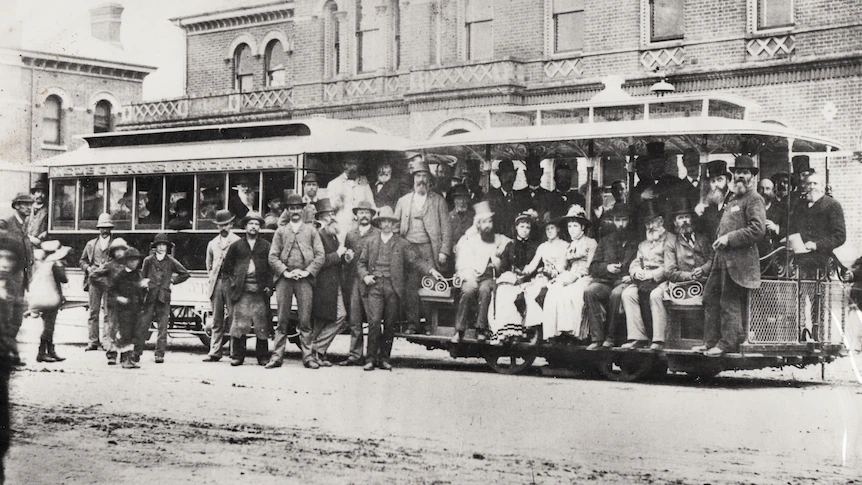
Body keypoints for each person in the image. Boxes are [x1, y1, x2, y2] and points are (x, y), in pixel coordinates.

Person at [695, 155, 766, 356]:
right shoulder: (733, 199)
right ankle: (710, 342)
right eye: (737, 173)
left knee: (728, 301)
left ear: (752, 177)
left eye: (745, 173)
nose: (740, 177)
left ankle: (727, 344)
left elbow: (758, 229)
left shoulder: (754, 199)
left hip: (739, 261)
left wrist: (729, 238)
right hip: (721, 258)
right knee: (710, 297)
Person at [357, 207, 442, 370]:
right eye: (384, 222)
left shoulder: (402, 244)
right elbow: (361, 263)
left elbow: (415, 261)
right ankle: (370, 359)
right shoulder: (371, 242)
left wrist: (431, 271)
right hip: (374, 287)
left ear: (393, 224)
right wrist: (365, 276)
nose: (387, 225)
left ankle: (384, 359)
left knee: (390, 324)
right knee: (374, 322)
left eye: (390, 221)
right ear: (380, 224)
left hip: (393, 288)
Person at [393, 155, 452, 335]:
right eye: (418, 176)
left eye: (425, 176)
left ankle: (428, 324)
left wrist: (444, 251)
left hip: (429, 249)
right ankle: (413, 324)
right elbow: (395, 227)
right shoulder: (403, 201)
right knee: (411, 287)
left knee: (431, 285)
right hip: (409, 248)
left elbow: (447, 229)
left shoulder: (438, 201)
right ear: (413, 179)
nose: (421, 180)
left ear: (429, 179)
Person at [643, 199, 713, 351]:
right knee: (655, 294)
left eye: (687, 217)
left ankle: (709, 341)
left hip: (705, 282)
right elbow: (670, 271)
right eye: (680, 218)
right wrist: (690, 276)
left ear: (692, 219)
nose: (685, 221)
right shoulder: (671, 242)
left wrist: (704, 269)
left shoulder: (703, 238)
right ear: (675, 222)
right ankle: (659, 340)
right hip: (680, 284)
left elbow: (712, 258)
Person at [267, 194, 325, 369]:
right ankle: (277, 356)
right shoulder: (281, 231)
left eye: (298, 208)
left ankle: (308, 357)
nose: (295, 212)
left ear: (303, 209)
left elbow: (320, 255)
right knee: (282, 318)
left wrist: (307, 272)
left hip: (304, 279)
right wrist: (285, 272)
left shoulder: (311, 231)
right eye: (292, 208)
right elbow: (272, 256)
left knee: (305, 319)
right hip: (285, 279)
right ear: (287, 210)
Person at [451, 202, 510, 343]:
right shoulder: (470, 240)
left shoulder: (497, 238)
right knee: (468, 290)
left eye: (490, 221)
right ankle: (459, 330)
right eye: (484, 222)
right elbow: (461, 263)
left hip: (489, 276)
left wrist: (500, 253)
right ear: (478, 225)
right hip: (471, 275)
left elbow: (509, 242)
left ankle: (481, 329)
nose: (488, 225)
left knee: (485, 290)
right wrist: (468, 276)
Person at [583, 203, 640, 350]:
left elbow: (643, 263)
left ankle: (611, 337)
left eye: (624, 220)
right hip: (606, 282)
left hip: (626, 282)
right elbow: (593, 267)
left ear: (630, 220)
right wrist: (607, 267)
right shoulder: (605, 240)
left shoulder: (637, 241)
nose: (621, 224)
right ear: (613, 221)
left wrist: (631, 276)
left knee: (617, 294)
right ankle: (597, 338)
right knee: (590, 291)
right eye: (617, 220)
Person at [220, 212, 273, 366]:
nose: (253, 227)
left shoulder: (265, 246)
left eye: (256, 224)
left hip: (260, 290)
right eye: (251, 224)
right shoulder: (236, 246)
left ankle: (263, 356)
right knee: (239, 324)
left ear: (260, 227)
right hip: (241, 290)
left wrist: (269, 286)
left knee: (261, 324)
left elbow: (271, 269)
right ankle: (237, 356)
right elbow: (226, 269)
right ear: (245, 226)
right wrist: (232, 285)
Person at [541, 205, 597, 342]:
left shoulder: (591, 243)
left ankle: (574, 332)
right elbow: (562, 265)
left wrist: (574, 277)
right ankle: (557, 332)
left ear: (582, 227)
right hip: (570, 273)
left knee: (573, 293)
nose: (572, 229)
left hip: (584, 276)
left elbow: (590, 266)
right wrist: (552, 273)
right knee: (554, 291)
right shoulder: (569, 245)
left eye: (575, 226)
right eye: (570, 226)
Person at [620, 203, 670, 350]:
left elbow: (671, 266)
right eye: (647, 223)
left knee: (655, 295)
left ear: (661, 221)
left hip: (665, 280)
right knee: (628, 293)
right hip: (643, 280)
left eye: (653, 222)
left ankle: (659, 339)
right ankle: (638, 337)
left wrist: (652, 274)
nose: (650, 226)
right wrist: (636, 272)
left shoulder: (671, 240)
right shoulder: (643, 244)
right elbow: (635, 263)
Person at [90, 247, 146, 369]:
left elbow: (140, 291)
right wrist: (118, 297)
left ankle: (128, 357)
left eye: (136, 261)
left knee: (133, 332)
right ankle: (122, 358)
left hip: (134, 308)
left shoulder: (137, 274)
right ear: (126, 262)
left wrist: (142, 288)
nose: (135, 263)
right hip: (122, 309)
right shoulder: (120, 274)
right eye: (132, 261)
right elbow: (111, 289)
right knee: (122, 332)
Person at [490, 210, 541, 345]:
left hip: (528, 280)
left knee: (525, 296)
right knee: (504, 293)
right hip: (511, 278)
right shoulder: (510, 245)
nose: (525, 230)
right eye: (522, 227)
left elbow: (536, 266)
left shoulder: (534, 247)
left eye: (528, 227)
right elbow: (503, 267)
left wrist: (525, 276)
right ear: (516, 228)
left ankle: (522, 332)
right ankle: (507, 331)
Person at [138, 233, 191, 363]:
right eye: (159, 245)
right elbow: (142, 277)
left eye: (164, 245)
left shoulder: (171, 261)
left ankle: (159, 354)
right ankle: (136, 352)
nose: (162, 247)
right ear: (155, 247)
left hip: (163, 297)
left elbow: (185, 274)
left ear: (168, 247)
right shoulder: (148, 261)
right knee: (143, 325)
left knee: (163, 327)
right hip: (150, 297)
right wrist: (144, 285)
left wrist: (172, 280)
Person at [339, 200, 380, 366]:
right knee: (355, 319)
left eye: (367, 212)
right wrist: (346, 258)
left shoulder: (377, 233)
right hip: (355, 281)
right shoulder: (351, 234)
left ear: (371, 215)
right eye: (361, 212)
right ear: (356, 215)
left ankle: (373, 356)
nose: (364, 215)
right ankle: (355, 355)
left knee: (373, 320)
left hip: (371, 281)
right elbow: (347, 258)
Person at [308, 199, 348, 367]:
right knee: (324, 319)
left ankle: (317, 351)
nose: (333, 217)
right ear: (322, 217)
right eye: (329, 214)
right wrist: (338, 254)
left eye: (333, 214)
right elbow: (319, 261)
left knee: (334, 317)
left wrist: (345, 258)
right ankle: (314, 352)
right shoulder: (319, 235)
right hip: (322, 284)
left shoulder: (331, 235)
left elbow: (336, 258)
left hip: (333, 283)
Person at [788, 171, 846, 278]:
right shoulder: (800, 206)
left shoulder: (832, 205)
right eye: (809, 184)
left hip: (821, 261)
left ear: (822, 187)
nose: (812, 187)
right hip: (800, 261)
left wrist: (816, 245)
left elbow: (840, 236)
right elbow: (793, 229)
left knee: (819, 293)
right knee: (799, 292)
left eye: (815, 184)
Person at [0, 233, 25, 480]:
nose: (5, 263)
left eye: (10, 258)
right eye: (0, 257)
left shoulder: (10, 287)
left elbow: (10, 325)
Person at [0, 193, 35, 367]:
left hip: (22, 279)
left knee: (17, 318)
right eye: (24, 204)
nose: (29, 207)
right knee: (4, 318)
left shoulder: (24, 226)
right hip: (7, 279)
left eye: (31, 204)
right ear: (16, 206)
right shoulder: (6, 223)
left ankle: (8, 353)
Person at [519, 213, 570, 330]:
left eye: (552, 228)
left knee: (543, 293)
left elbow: (562, 266)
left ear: (558, 229)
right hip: (543, 277)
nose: (549, 231)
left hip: (558, 277)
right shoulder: (543, 246)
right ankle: (537, 327)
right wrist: (524, 272)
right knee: (530, 290)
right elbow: (533, 264)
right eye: (547, 229)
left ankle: (548, 329)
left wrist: (550, 272)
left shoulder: (565, 245)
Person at [202, 210, 240, 362]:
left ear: (231, 224)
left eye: (226, 225)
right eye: (220, 226)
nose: (223, 228)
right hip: (217, 282)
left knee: (233, 317)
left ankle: (234, 352)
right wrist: (213, 279)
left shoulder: (237, 241)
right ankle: (215, 351)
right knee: (217, 319)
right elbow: (209, 265)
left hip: (231, 283)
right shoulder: (212, 243)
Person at [79, 213, 115, 351]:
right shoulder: (91, 245)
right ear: (98, 229)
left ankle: (106, 341)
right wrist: (88, 268)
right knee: (93, 311)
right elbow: (82, 261)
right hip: (94, 281)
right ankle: (93, 341)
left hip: (109, 281)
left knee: (108, 312)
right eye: (102, 228)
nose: (105, 231)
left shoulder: (116, 244)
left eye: (107, 228)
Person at [31, 241, 70, 363]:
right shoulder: (55, 264)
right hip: (51, 297)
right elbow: (63, 279)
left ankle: (50, 351)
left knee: (47, 325)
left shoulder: (41, 263)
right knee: (49, 326)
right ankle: (42, 352)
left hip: (41, 296)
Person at [328, 158, 375, 243]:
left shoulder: (364, 183)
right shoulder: (334, 184)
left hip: (360, 225)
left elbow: (371, 204)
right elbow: (330, 209)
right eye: (350, 164)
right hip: (342, 226)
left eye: (355, 164)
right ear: (344, 165)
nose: (353, 167)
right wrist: (338, 202)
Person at [695, 160, 731, 241]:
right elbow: (702, 231)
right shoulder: (709, 204)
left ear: (727, 180)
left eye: (720, 180)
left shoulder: (735, 200)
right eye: (713, 181)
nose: (716, 184)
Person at [757, 178, 787, 275]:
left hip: (774, 253)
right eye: (761, 189)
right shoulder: (752, 208)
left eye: (767, 189)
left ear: (773, 191)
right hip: (755, 251)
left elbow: (788, 231)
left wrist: (776, 228)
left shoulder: (781, 209)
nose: (764, 192)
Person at [485, 159, 520, 237]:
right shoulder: (490, 197)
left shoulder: (520, 197)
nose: (509, 179)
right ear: (500, 177)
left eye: (511, 176)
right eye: (505, 176)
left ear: (515, 177)